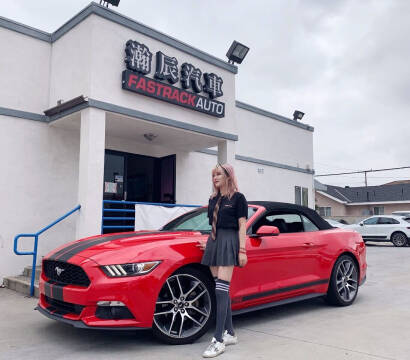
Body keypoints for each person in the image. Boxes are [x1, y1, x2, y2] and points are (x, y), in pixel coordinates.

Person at [197, 163, 248, 358]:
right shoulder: (212, 199)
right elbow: (213, 224)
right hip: (214, 242)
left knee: (221, 289)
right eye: (213, 175)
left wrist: (242, 250)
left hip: (229, 240)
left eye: (218, 174)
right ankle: (230, 333)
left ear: (228, 176)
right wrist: (209, 242)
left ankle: (218, 340)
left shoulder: (238, 198)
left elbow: (242, 225)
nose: (215, 177)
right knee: (220, 289)